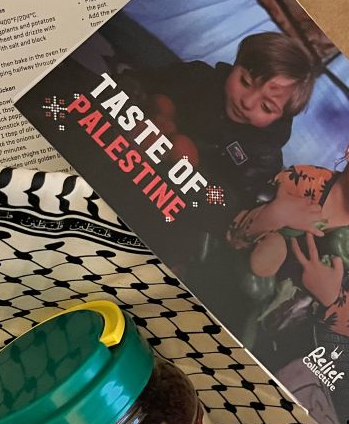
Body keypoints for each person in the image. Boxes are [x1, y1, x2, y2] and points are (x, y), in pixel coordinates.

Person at [121, 31, 318, 267]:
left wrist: (192, 172)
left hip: (177, 204)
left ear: (280, 117)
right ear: (235, 65)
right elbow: (144, 81)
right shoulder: (198, 78)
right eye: (244, 82)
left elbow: (234, 203)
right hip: (129, 152)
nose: (247, 101)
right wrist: (142, 99)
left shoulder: (263, 155)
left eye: (266, 106)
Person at [228, 122, 349, 345]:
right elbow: (231, 227)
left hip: (288, 321)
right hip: (242, 281)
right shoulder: (304, 179)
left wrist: (332, 296)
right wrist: (272, 215)